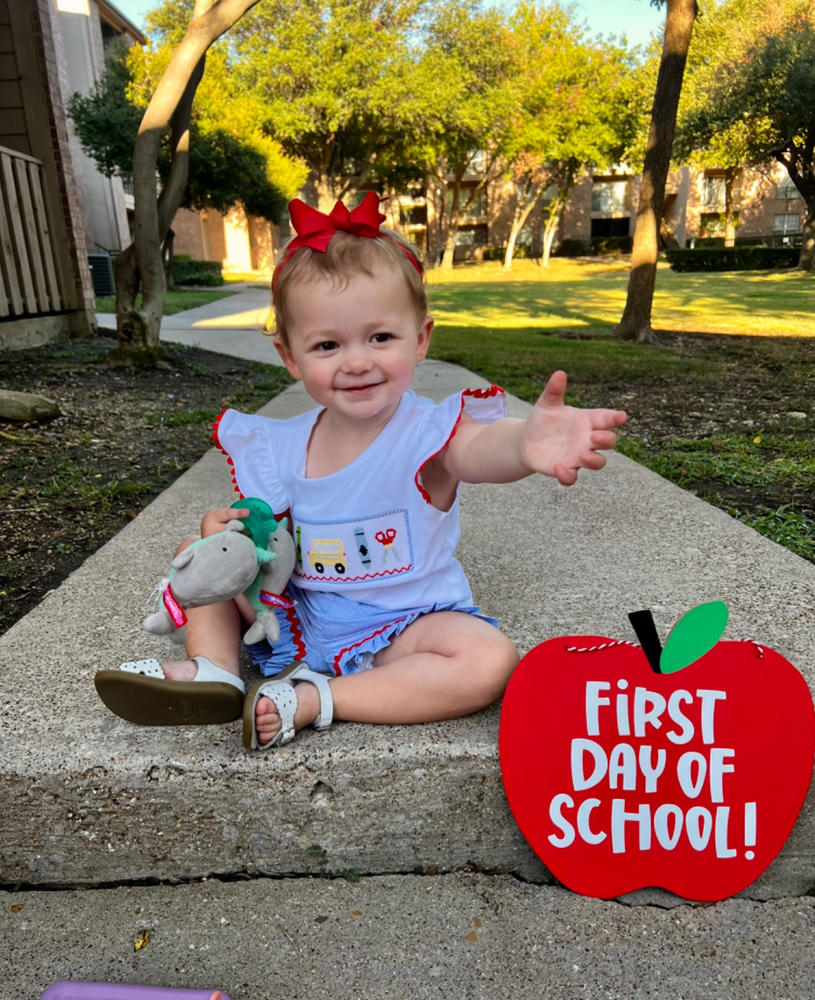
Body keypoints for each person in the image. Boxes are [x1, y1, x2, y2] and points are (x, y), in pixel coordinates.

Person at [95, 192, 627, 750]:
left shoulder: (428, 433)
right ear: (291, 357)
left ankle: (318, 700)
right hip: (292, 616)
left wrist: (522, 444)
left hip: (400, 625)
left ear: (420, 338)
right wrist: (229, 537)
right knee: (199, 552)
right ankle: (217, 672)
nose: (356, 361)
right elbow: (265, 538)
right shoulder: (281, 444)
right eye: (327, 344)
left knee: (488, 658)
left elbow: (477, 451)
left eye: (380, 337)